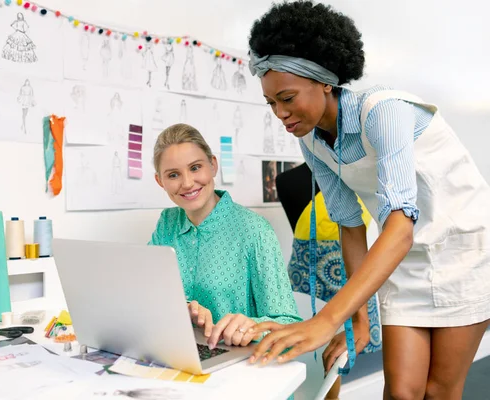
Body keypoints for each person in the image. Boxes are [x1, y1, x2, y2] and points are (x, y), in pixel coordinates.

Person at [246, 1, 490, 399]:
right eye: (272, 103)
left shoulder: (384, 111)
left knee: (439, 391)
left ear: (325, 80)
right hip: (402, 258)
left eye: (287, 98)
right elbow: (350, 224)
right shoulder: (311, 140)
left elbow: (399, 227)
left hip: (462, 252)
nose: (281, 114)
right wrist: (358, 320)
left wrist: (326, 320)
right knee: (401, 392)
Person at [148, 123, 302, 350]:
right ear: (160, 181)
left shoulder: (254, 230)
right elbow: (147, 295)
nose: (188, 183)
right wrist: (184, 308)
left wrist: (251, 326)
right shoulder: (166, 224)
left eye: (195, 167)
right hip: (177, 353)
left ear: (212, 165)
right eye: (173, 175)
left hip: (239, 364)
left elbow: (289, 326)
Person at [277, 163, 382, 400]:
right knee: (308, 360)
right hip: (307, 280)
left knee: (336, 358)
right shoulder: (288, 180)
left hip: (352, 278)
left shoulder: (356, 173)